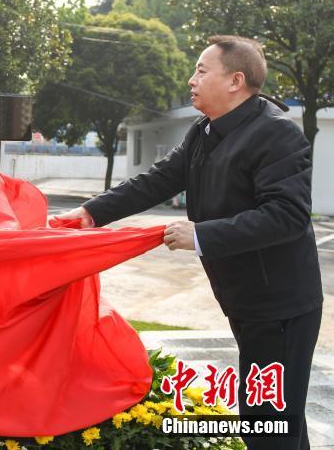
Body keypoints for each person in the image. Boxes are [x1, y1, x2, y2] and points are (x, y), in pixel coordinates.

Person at [56, 36, 322, 449]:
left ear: (235, 81)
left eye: (201, 70)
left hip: (281, 306)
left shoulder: (275, 134)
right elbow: (159, 179)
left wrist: (201, 235)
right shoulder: (205, 131)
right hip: (248, 300)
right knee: (276, 418)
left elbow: (286, 216)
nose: (191, 80)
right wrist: (92, 212)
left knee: (268, 419)